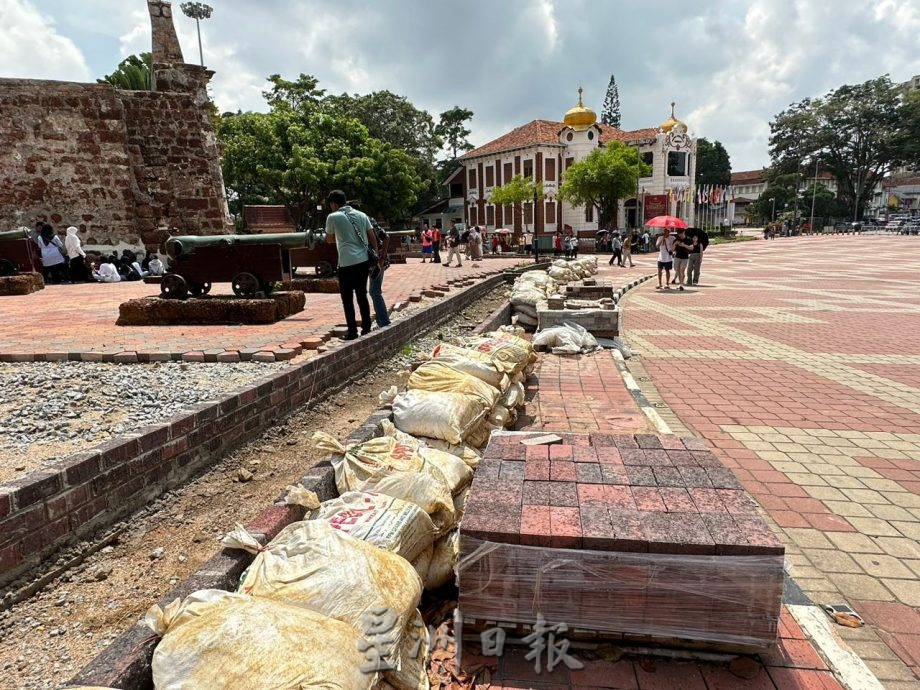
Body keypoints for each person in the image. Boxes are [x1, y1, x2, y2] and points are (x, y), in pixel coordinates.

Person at [324, 189, 379, 340]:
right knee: (362, 294)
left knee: (347, 298)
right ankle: (366, 328)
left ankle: (352, 331)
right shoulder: (362, 215)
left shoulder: (333, 217)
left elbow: (329, 239)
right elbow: (372, 236)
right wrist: (375, 253)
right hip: (363, 261)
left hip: (346, 262)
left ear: (334, 204)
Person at [368, 219, 391, 328]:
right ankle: (381, 321)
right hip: (375, 261)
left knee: (375, 291)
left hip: (376, 262)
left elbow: (386, 237)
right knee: (374, 291)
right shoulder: (368, 219)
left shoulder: (366, 221)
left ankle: (384, 322)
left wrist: (381, 258)